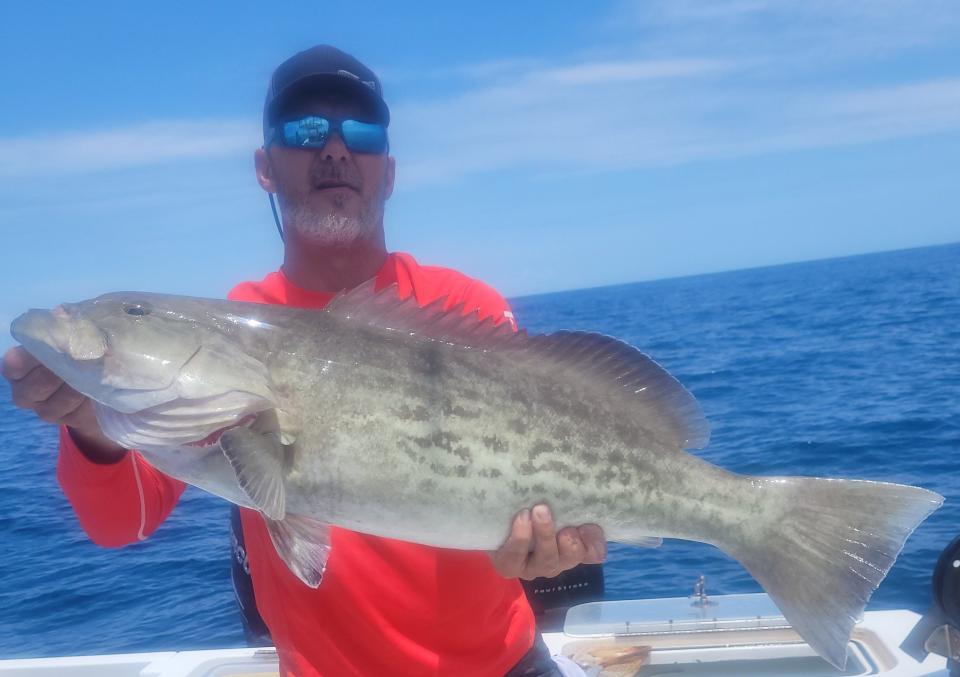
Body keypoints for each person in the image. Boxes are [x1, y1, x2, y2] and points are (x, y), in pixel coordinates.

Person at [2, 45, 607, 676]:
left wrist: (548, 549)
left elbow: (523, 492)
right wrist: (92, 428)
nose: (336, 150)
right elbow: (120, 524)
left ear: (390, 172)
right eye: (305, 131)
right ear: (265, 167)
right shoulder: (237, 326)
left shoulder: (466, 309)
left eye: (362, 134)